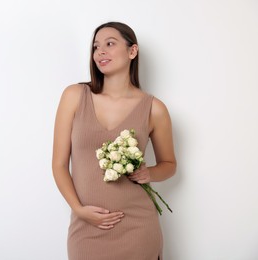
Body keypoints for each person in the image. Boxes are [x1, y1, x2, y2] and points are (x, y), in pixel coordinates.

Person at [52, 21, 177, 260]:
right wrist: (79, 210)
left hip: (137, 227)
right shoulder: (75, 96)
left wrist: (149, 173)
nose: (100, 51)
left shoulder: (155, 109)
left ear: (132, 51)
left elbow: (170, 164)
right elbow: (58, 165)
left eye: (110, 44)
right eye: (96, 46)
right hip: (86, 227)